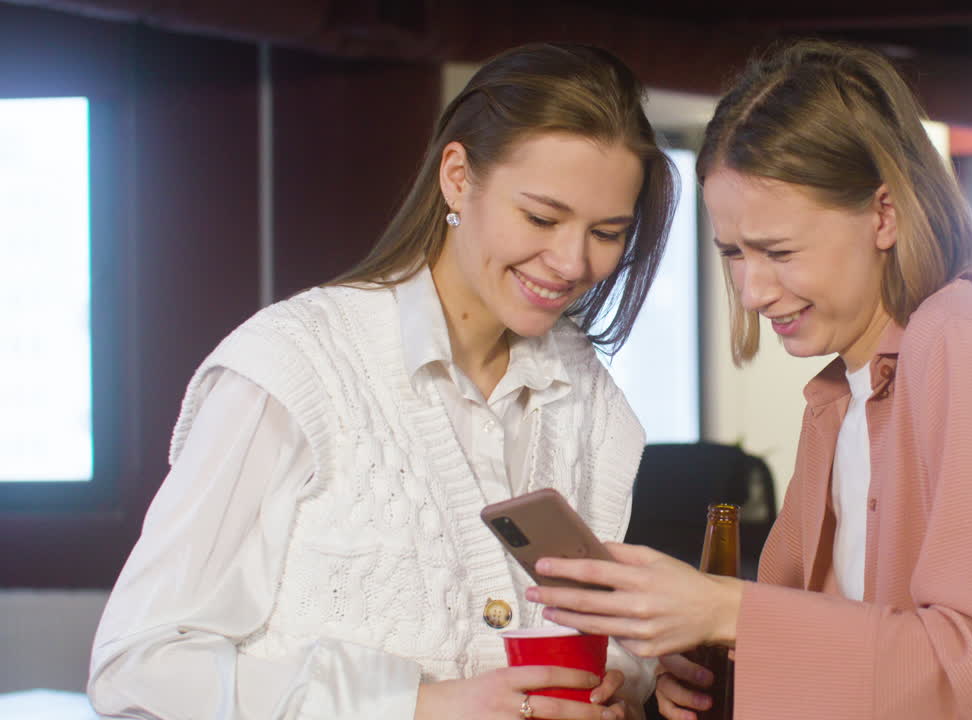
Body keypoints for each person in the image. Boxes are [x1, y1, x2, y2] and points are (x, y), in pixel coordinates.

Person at [527, 40, 972, 720]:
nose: (754, 290)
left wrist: (731, 612)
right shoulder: (841, 394)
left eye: (780, 251)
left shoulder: (960, 343)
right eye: (732, 253)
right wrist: (717, 654)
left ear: (883, 215)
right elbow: (861, 655)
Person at [88, 42, 676, 720]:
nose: (572, 261)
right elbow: (135, 668)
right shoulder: (295, 365)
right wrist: (415, 705)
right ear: (457, 177)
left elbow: (590, 633)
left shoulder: (590, 399)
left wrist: (622, 683)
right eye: (541, 218)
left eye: (607, 232)